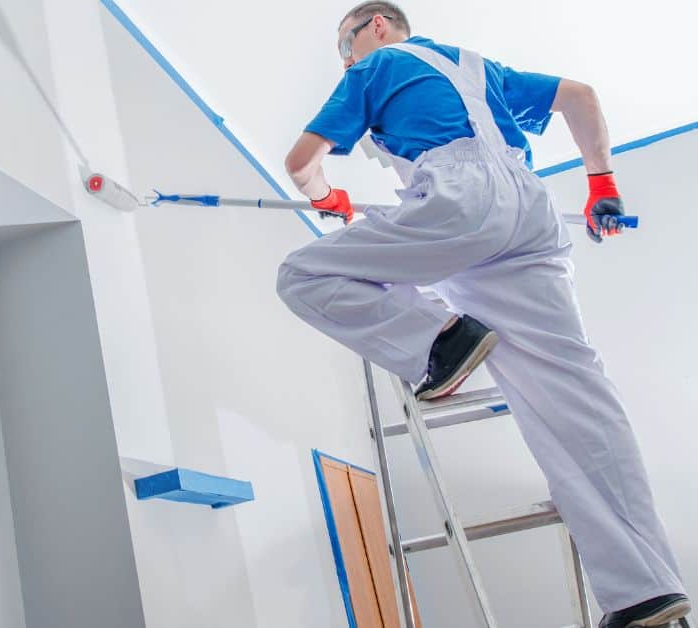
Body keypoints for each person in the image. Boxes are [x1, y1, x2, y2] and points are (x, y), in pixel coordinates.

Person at [274, 3, 689, 626]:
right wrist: (602, 184)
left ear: (376, 25)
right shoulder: (478, 67)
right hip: (530, 213)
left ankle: (442, 341)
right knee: (575, 398)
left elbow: (301, 162)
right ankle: (645, 589)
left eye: (345, 45)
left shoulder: (376, 66)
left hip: (460, 203)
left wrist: (327, 196)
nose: (346, 59)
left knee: (303, 274)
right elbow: (580, 97)